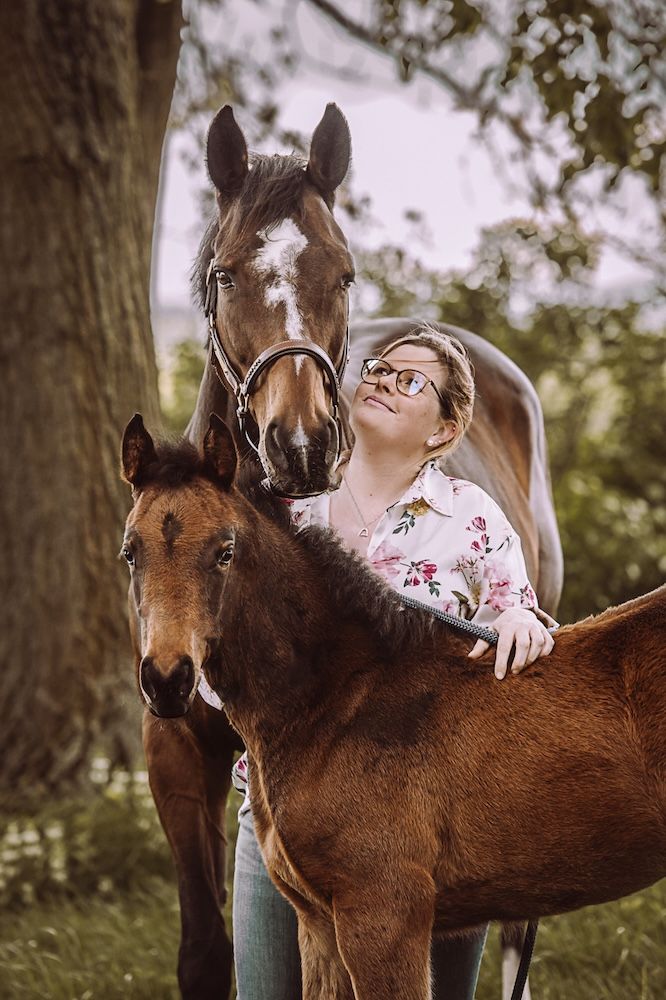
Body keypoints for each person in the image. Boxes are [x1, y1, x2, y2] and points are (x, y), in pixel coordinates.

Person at [232, 324, 556, 1000]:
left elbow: (518, 622)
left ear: (443, 429)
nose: (379, 378)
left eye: (410, 380)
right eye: (379, 367)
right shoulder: (289, 506)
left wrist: (523, 619)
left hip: (437, 823)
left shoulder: (472, 517)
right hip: (280, 808)